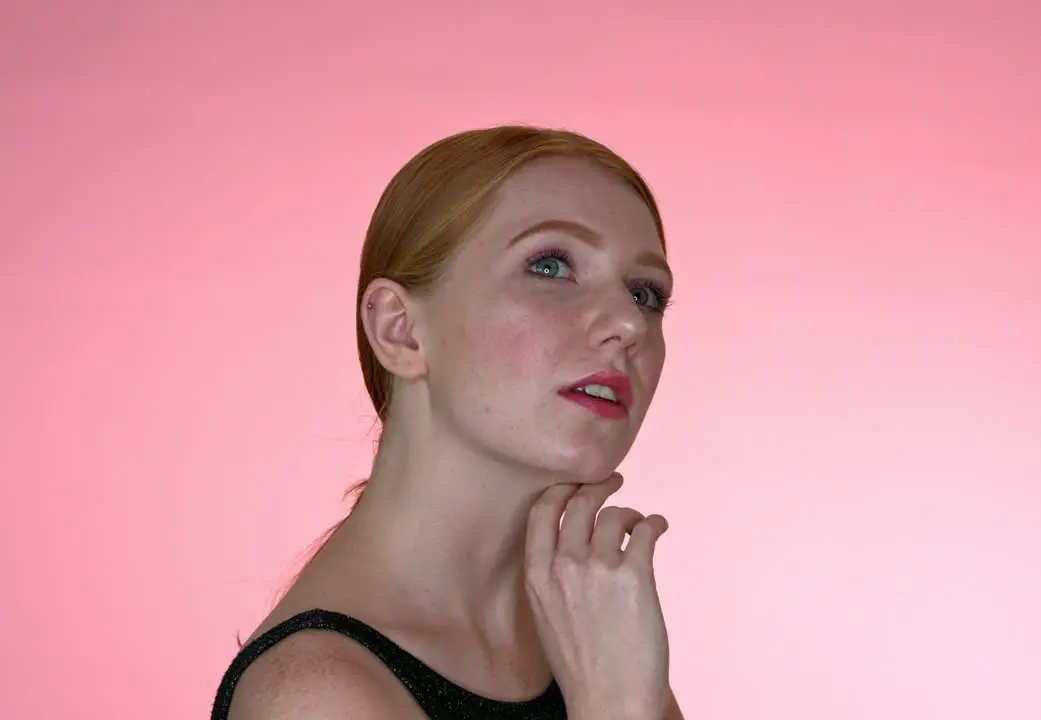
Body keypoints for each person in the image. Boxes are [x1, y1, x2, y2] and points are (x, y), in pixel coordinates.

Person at [210, 125, 685, 720]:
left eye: (645, 293)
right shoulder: (312, 696)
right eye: (549, 266)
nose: (628, 323)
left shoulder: (590, 643)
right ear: (399, 330)